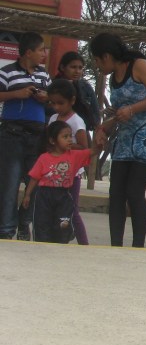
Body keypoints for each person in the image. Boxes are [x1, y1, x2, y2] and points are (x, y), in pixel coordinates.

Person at [91, 33, 146, 248]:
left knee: (134, 191)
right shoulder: (112, 77)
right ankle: (115, 244)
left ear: (106, 56)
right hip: (125, 140)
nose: (97, 66)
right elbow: (119, 113)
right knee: (116, 192)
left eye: (97, 60)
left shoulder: (139, 65)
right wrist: (104, 128)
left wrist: (132, 109)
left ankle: (138, 246)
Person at [0, 32, 50, 240]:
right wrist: (16, 94)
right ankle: (6, 229)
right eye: (40, 50)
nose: (44, 54)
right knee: (9, 184)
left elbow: (52, 100)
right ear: (28, 52)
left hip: (36, 138)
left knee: (34, 184)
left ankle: (24, 225)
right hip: (12, 134)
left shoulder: (43, 75)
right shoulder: (6, 72)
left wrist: (45, 97)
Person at [23, 120, 100, 243]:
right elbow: (34, 178)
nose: (70, 139)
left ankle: (65, 237)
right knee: (42, 224)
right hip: (44, 196)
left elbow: (93, 151)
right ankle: (42, 249)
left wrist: (99, 140)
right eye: (65, 137)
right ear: (53, 140)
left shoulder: (74, 155)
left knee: (62, 225)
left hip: (63, 195)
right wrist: (27, 195)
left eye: (71, 136)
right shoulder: (44, 158)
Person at [46, 79, 91, 245]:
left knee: (72, 209)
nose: (56, 107)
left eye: (60, 103)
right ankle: (58, 238)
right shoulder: (53, 119)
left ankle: (83, 243)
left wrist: (66, 146)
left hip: (71, 173)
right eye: (53, 103)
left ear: (72, 101)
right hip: (54, 172)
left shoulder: (76, 121)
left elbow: (84, 147)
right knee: (54, 208)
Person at [55, 51, 101, 131]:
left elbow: (95, 111)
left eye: (80, 68)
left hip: (81, 130)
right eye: (73, 67)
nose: (77, 71)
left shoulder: (85, 87)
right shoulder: (54, 86)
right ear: (62, 67)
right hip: (58, 130)